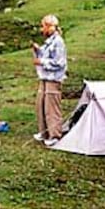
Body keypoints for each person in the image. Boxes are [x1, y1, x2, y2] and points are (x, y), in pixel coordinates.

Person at [32, 14, 67, 146]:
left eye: (43, 26)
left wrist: (41, 61)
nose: (42, 30)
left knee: (51, 108)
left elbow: (59, 62)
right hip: (44, 77)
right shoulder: (49, 42)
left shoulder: (58, 42)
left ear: (49, 27)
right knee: (41, 105)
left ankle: (55, 135)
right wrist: (38, 50)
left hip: (53, 79)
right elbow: (46, 55)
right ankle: (44, 132)